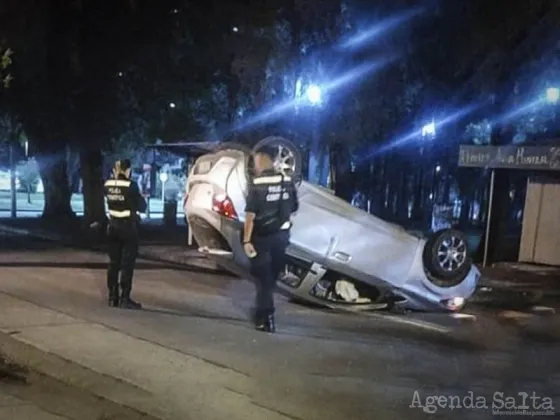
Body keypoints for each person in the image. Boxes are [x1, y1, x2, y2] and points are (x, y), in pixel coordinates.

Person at [242, 147, 299, 333]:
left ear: (260, 163)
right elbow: (294, 207)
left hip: (262, 238)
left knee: (264, 280)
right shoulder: (288, 182)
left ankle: (264, 317)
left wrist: (246, 241)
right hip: (281, 238)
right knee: (270, 279)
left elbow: (250, 216)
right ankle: (266, 314)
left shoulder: (257, 185)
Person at [104, 159, 147, 309]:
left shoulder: (108, 185)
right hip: (128, 229)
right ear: (127, 170)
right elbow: (142, 207)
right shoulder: (131, 186)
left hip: (112, 227)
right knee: (127, 264)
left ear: (116, 170)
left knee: (113, 263)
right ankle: (125, 298)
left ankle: (112, 297)